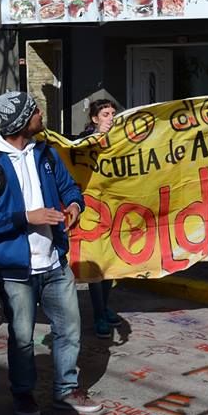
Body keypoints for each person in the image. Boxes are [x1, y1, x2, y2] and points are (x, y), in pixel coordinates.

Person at [0, 91, 101, 415]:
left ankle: (66, 389)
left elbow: (70, 187)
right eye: (35, 111)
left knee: (69, 328)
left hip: (54, 261)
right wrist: (27, 217)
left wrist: (73, 206)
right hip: (15, 269)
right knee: (22, 336)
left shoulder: (46, 153)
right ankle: (23, 393)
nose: (41, 114)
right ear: (20, 121)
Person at [75, 99, 124, 338]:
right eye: (106, 114)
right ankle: (98, 315)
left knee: (110, 265)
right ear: (95, 119)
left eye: (113, 113)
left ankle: (104, 306)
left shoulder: (123, 138)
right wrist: (97, 137)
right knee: (96, 265)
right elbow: (78, 155)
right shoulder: (84, 138)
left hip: (115, 209)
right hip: (93, 212)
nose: (111, 117)